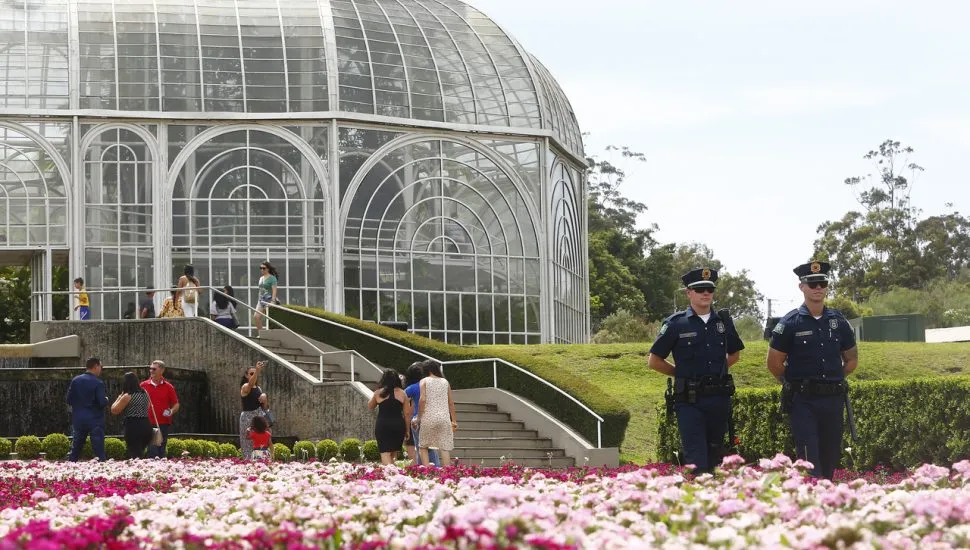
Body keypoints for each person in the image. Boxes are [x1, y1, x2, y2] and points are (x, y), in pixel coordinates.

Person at [767, 261, 858, 480]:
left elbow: (851, 359)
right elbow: (774, 363)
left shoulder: (838, 322)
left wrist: (833, 378)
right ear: (802, 287)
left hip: (833, 400)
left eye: (822, 283)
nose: (818, 288)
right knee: (808, 457)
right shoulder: (790, 323)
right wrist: (792, 383)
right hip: (803, 401)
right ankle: (811, 496)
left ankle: (826, 495)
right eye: (812, 283)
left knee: (830, 455)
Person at [648, 268, 744, 474]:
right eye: (700, 289)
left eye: (709, 289)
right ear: (688, 293)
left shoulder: (723, 322)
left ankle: (715, 494)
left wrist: (718, 371)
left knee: (716, 456)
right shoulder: (676, 323)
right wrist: (681, 373)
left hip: (719, 399)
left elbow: (735, 355)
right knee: (696, 458)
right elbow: (654, 361)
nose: (706, 293)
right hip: (690, 402)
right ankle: (698, 492)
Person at [66, 357, 108, 461]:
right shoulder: (98, 383)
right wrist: (106, 399)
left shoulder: (75, 380)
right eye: (101, 366)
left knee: (76, 448)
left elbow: (69, 400)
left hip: (78, 419)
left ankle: (69, 467)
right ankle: (103, 468)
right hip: (95, 420)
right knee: (99, 450)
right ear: (96, 366)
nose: (101, 369)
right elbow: (101, 402)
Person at [416, 360, 457, 467]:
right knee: (444, 447)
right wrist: (454, 420)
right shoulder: (445, 382)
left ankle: (426, 470)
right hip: (444, 418)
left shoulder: (424, 381)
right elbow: (451, 403)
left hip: (428, 417)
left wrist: (418, 417)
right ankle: (447, 471)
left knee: (423, 446)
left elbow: (422, 400)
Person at [368, 369, 410, 465]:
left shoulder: (378, 392)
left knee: (385, 452)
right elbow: (407, 414)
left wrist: (376, 395)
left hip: (383, 425)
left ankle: (389, 473)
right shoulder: (402, 393)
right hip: (398, 425)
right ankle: (394, 472)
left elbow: (370, 406)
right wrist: (407, 430)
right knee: (393, 453)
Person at [141, 360, 180, 458]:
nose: (151, 371)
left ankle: (160, 466)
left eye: (154, 369)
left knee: (161, 450)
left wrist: (171, 411)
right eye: (150, 369)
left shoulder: (169, 387)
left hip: (163, 423)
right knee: (152, 450)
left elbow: (176, 404)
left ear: (162, 370)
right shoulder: (143, 385)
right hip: (147, 422)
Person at [110, 372, 153, 459]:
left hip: (133, 426)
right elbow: (148, 406)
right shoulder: (145, 393)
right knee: (141, 452)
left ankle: (139, 467)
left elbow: (114, 410)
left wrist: (119, 398)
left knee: (135, 454)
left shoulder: (128, 396)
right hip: (146, 424)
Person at [404, 362, 439, 466]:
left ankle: (424, 468)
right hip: (433, 417)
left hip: (419, 419)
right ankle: (435, 467)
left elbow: (401, 396)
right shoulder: (432, 385)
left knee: (421, 447)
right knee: (432, 447)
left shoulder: (413, 387)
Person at [240, 360, 269, 459]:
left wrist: (265, 397)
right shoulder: (245, 387)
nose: (254, 375)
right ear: (246, 375)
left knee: (261, 440)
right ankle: (248, 461)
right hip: (247, 418)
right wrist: (257, 370)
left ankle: (261, 461)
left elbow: (265, 407)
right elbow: (250, 384)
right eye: (251, 374)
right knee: (248, 442)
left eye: (255, 373)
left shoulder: (259, 389)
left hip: (259, 418)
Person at [254, 261, 279, 331]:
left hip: (269, 300)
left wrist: (273, 301)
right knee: (256, 317)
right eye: (261, 268)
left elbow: (274, 290)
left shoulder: (272, 278)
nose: (262, 269)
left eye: (264, 268)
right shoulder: (261, 278)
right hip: (261, 300)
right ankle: (262, 333)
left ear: (268, 269)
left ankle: (270, 334)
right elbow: (260, 290)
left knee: (269, 320)